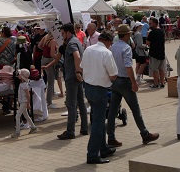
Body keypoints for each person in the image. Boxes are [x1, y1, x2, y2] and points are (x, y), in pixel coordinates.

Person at [107, 24, 159, 148]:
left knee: (113, 109)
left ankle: (111, 137)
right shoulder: (126, 48)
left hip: (115, 80)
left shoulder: (113, 47)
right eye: (129, 34)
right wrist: (134, 83)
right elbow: (128, 66)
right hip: (124, 81)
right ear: (126, 35)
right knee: (135, 109)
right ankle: (144, 134)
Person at [81, 30, 118, 164]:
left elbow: (82, 67)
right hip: (100, 89)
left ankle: (103, 148)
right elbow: (113, 75)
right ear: (108, 41)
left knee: (99, 120)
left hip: (88, 87)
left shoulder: (88, 49)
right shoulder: (106, 53)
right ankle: (92, 154)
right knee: (98, 123)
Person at [56, 23, 88, 140]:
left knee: (71, 104)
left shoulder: (71, 43)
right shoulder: (77, 41)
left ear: (68, 32)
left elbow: (77, 56)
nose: (62, 35)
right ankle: (84, 128)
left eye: (63, 33)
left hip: (72, 77)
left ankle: (70, 131)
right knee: (81, 103)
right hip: (77, 76)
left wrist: (77, 72)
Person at [11, 68, 38, 138]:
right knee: (26, 115)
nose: (18, 75)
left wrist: (28, 104)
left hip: (24, 102)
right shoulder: (22, 83)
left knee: (17, 116)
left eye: (19, 74)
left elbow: (28, 95)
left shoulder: (24, 85)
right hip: (22, 102)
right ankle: (33, 127)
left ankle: (17, 132)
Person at [39, 31, 58, 106]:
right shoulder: (53, 41)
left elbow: (39, 46)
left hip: (44, 59)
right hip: (49, 60)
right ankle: (49, 102)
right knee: (51, 82)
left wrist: (44, 50)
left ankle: (50, 98)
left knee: (49, 80)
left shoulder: (45, 37)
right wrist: (59, 57)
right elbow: (52, 54)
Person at [146, 17, 166, 88]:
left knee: (155, 70)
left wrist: (147, 36)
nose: (149, 25)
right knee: (161, 69)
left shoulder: (152, 32)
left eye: (150, 23)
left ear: (154, 23)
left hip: (154, 53)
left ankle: (156, 83)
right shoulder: (161, 31)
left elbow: (147, 43)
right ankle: (162, 82)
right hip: (161, 52)